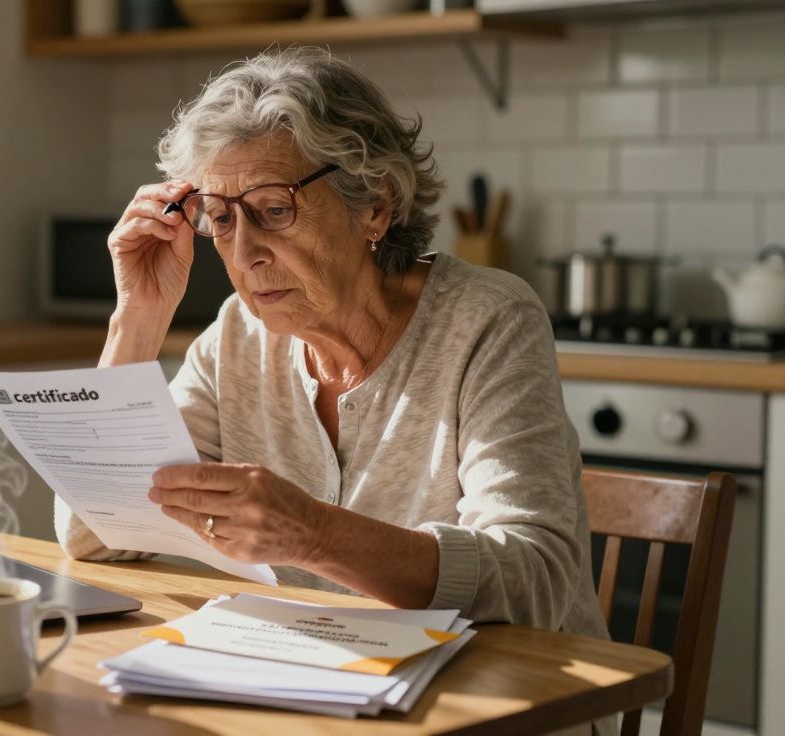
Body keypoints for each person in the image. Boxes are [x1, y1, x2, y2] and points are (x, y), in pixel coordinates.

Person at [56, 47, 608, 646]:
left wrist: (312, 533)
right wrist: (136, 319)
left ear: (374, 204)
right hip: (317, 683)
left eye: (273, 209)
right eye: (220, 218)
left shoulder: (487, 320)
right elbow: (95, 532)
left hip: (509, 696)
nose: (244, 256)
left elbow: (535, 584)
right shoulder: (238, 335)